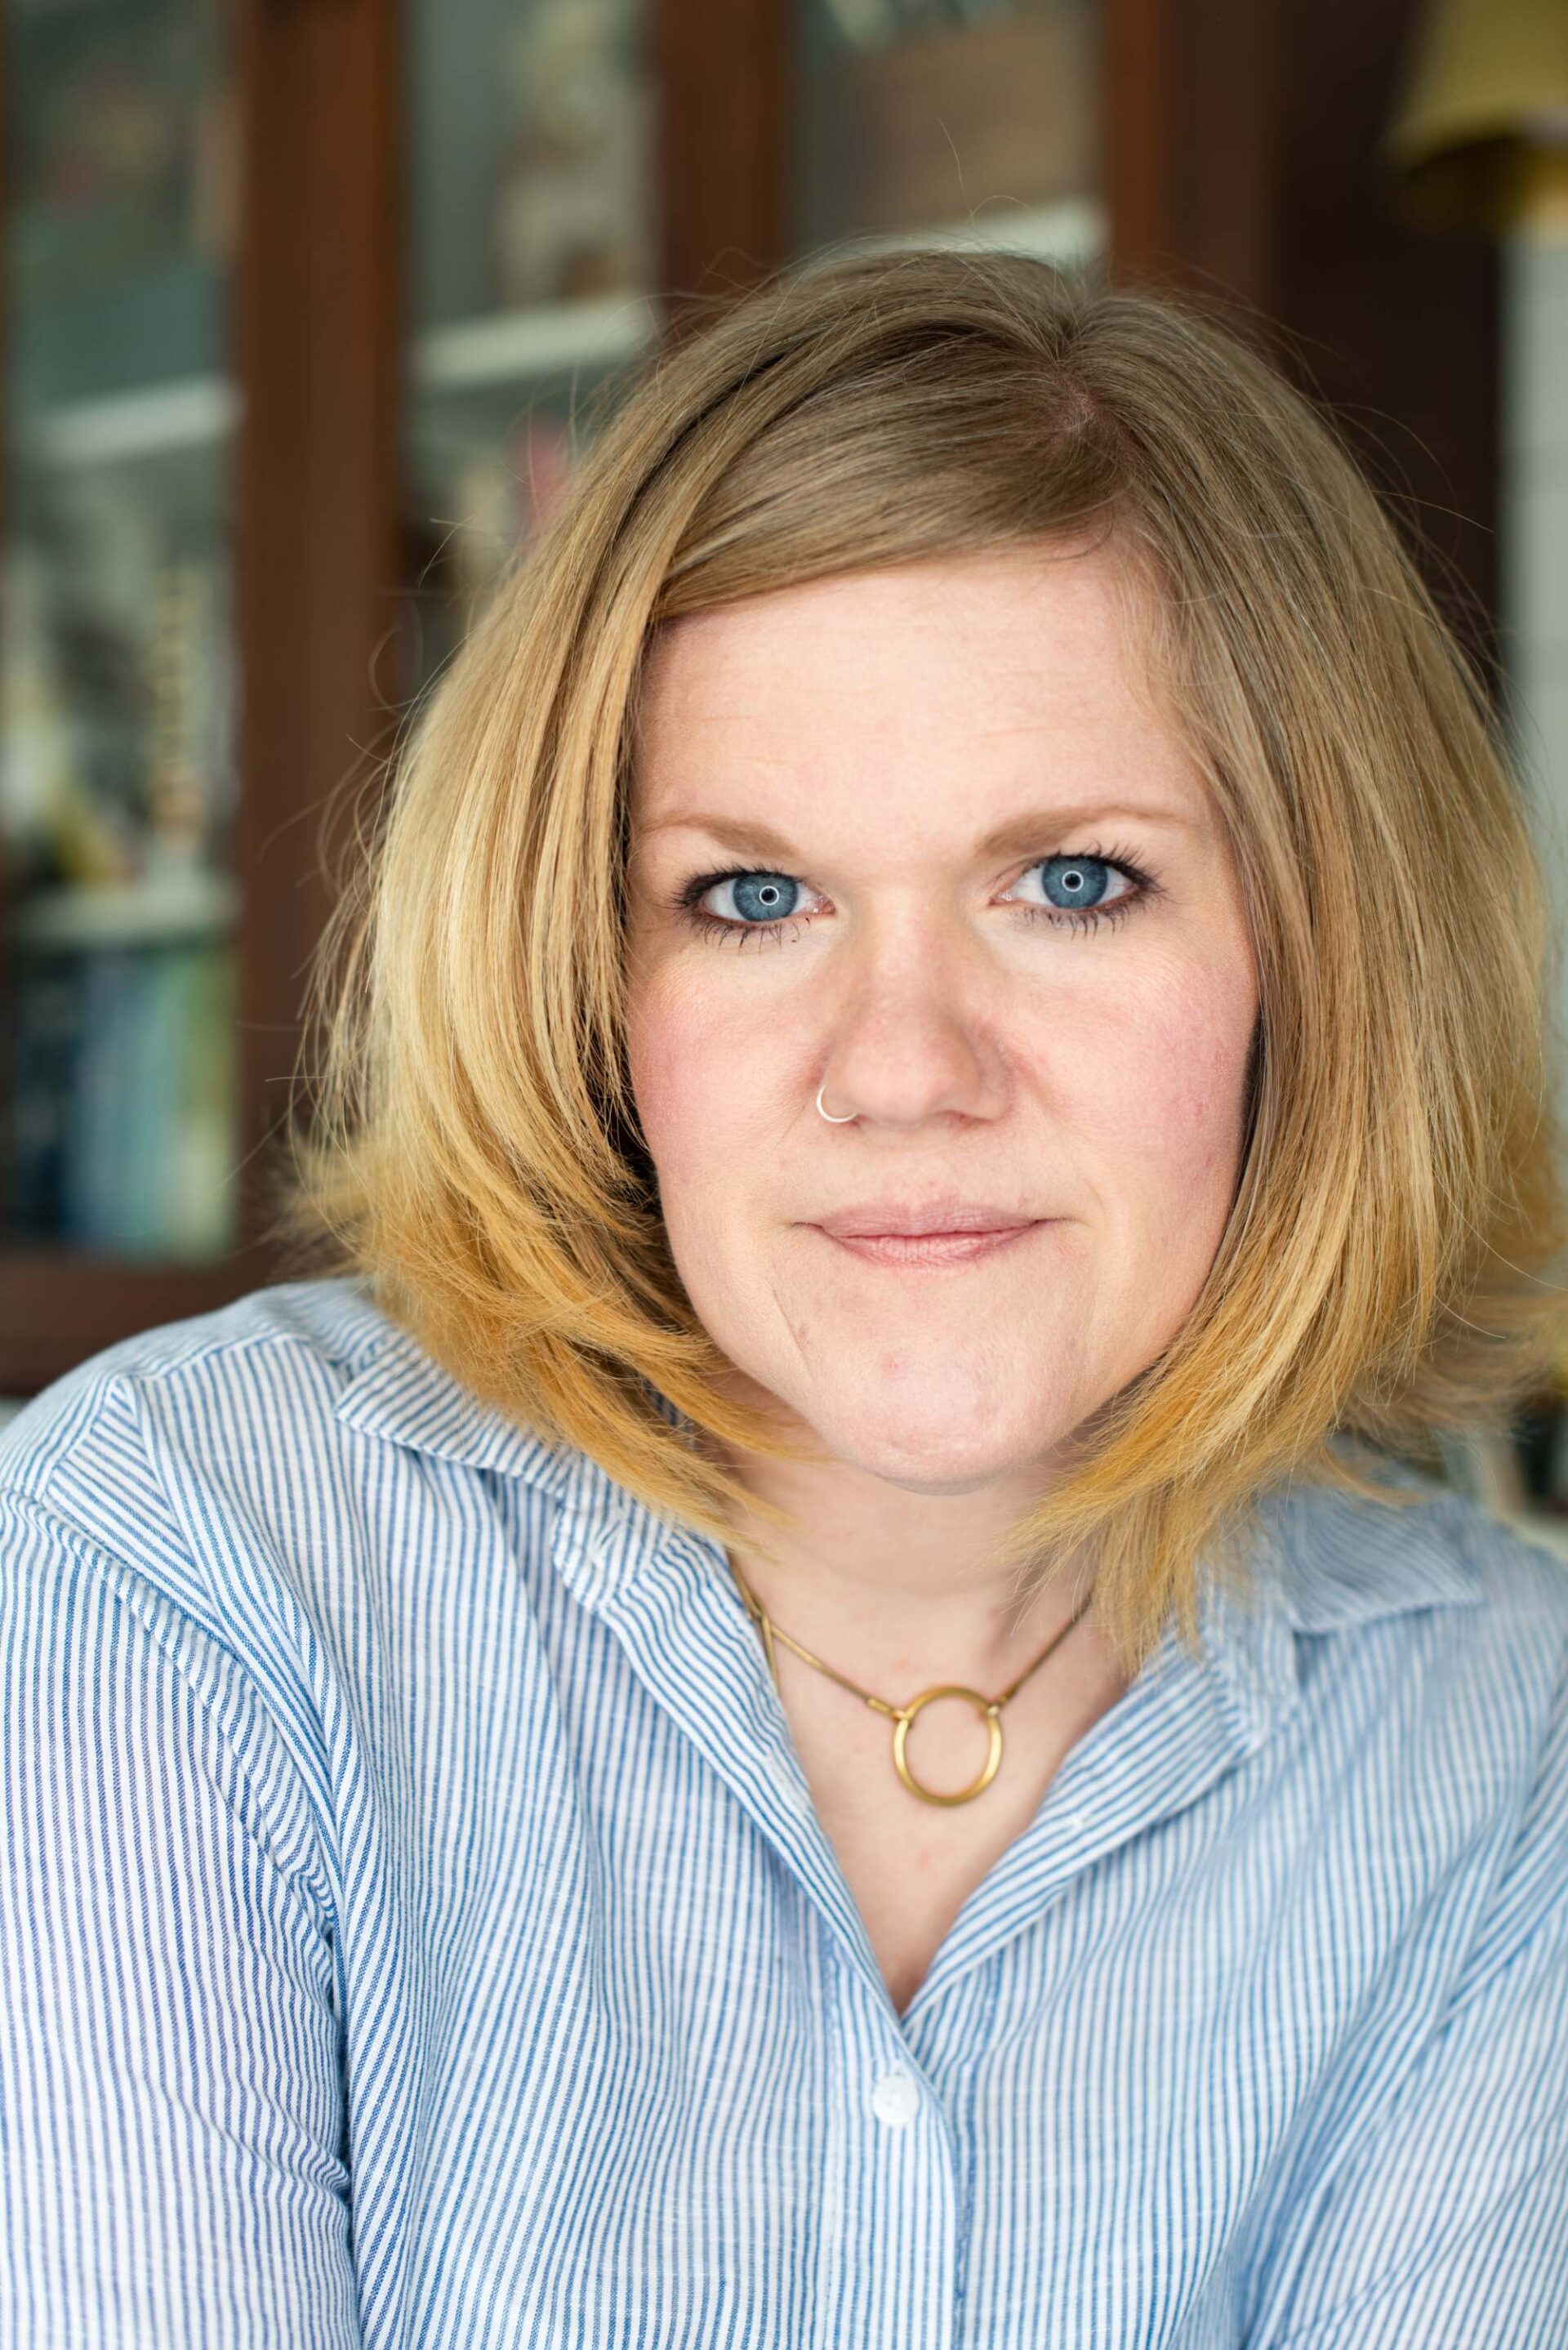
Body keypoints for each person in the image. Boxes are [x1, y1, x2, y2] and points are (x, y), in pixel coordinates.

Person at [3, 248, 1567, 2348]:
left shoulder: (1504, 1729)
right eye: (753, 896)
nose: (904, 1061)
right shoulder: (185, 1567)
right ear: (590, 977)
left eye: (1074, 880)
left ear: (1322, 953)